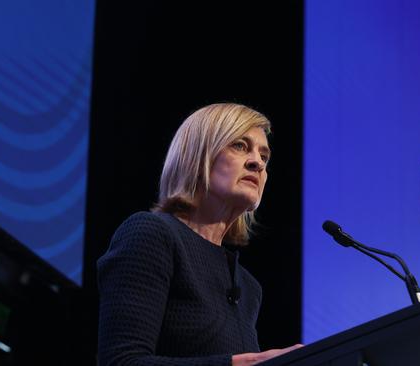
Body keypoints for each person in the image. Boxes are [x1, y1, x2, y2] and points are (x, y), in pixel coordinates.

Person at [97, 103, 302, 366]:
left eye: (264, 156)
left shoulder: (249, 287)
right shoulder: (151, 234)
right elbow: (121, 362)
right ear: (197, 155)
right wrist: (241, 364)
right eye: (240, 145)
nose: (257, 163)